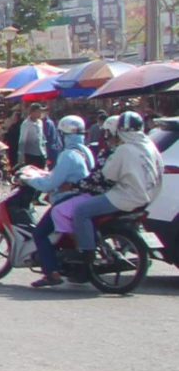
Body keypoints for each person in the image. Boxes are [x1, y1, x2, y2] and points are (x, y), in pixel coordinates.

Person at [43, 110, 162, 268]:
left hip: (125, 197)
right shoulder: (149, 146)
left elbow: (108, 175)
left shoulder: (124, 150)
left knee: (81, 211)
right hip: (148, 197)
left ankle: (85, 251)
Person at [18, 114, 98, 288]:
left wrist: (27, 179)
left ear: (64, 135)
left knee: (39, 233)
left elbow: (50, 184)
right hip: (84, 197)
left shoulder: (68, 155)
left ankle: (51, 273)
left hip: (69, 200)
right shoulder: (85, 152)